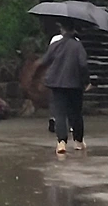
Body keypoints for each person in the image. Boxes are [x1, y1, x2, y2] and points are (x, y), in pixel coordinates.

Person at [38, 21, 89, 155]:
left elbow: (45, 60)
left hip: (57, 83)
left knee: (59, 113)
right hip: (74, 83)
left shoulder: (55, 45)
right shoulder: (78, 45)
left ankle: (61, 142)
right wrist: (86, 81)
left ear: (62, 30)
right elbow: (83, 64)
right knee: (76, 113)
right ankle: (78, 141)